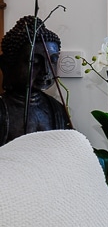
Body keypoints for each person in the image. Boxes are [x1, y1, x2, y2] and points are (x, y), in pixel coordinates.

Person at [0, 16, 72, 146]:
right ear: (7, 66)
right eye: (35, 62)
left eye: (52, 61)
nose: (45, 71)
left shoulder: (57, 109)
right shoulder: (2, 110)